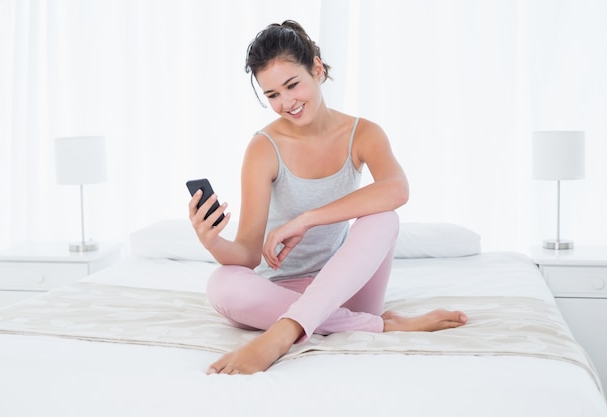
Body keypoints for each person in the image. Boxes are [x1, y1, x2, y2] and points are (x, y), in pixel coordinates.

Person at [189, 20, 467, 375]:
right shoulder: (264, 148)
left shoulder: (362, 134)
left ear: (316, 69)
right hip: (280, 290)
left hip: (346, 288)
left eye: (292, 85)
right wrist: (211, 241)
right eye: (272, 95)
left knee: (384, 216)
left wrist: (307, 218)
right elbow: (245, 255)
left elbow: (398, 189)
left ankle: (283, 333)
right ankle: (382, 324)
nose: (286, 102)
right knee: (222, 285)